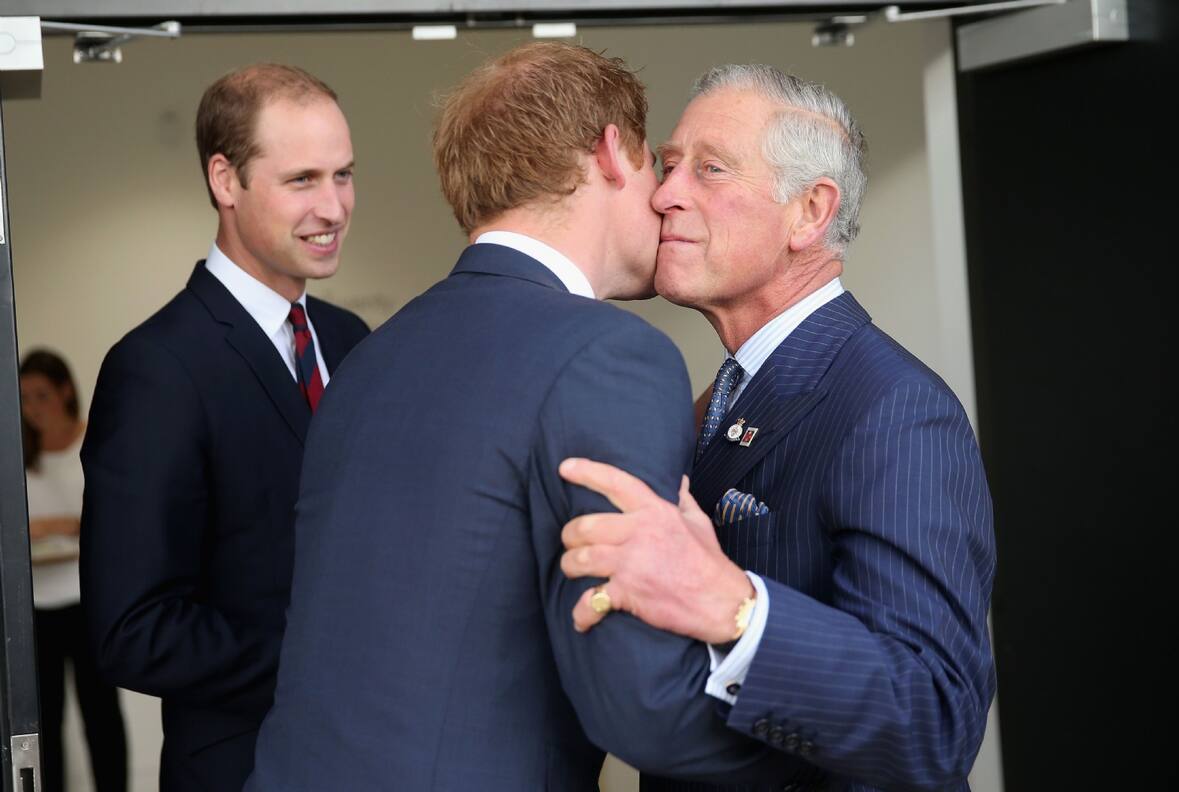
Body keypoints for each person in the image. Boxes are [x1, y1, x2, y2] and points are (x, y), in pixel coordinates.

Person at [246, 43, 802, 792]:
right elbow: (641, 702)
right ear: (611, 152)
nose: (667, 198)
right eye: (656, 165)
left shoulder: (370, 358)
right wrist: (827, 739)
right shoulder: (610, 356)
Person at [558, 64, 997, 791]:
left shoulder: (896, 411)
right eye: (668, 165)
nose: (664, 195)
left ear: (810, 212)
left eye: (710, 169)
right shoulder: (716, 400)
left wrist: (735, 609)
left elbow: (934, 719)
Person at [79, 63, 370, 791]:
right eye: (302, 180)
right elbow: (132, 631)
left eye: (343, 175)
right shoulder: (157, 368)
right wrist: (325, 660)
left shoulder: (351, 340)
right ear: (224, 180)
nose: (334, 206)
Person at [20, 349, 128, 792]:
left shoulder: (95, 442)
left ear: (65, 391)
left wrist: (71, 526)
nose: (33, 408)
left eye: (41, 395)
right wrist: (49, 527)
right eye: (25, 398)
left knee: (101, 713)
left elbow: (116, 518)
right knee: (45, 719)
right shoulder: (19, 456)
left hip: (89, 599)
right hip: (37, 605)